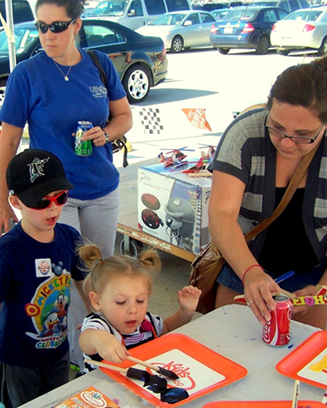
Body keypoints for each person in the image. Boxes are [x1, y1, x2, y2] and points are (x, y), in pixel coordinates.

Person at [0, 0, 133, 370]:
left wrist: (105, 133)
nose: (47, 36)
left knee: (100, 279)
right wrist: (2, 202)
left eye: (56, 26)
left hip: (102, 190)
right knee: (67, 283)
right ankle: (77, 361)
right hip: (57, 199)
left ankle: (101, 348)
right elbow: (7, 143)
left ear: (77, 24)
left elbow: (125, 116)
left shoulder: (99, 65)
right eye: (40, 27)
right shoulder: (27, 74)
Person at [208, 52, 327, 330]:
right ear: (268, 107)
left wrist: (324, 288)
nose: (286, 143)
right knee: (226, 347)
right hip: (244, 263)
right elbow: (222, 214)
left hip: (312, 276)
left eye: (304, 135)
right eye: (277, 127)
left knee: (300, 358)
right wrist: (251, 273)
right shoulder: (244, 135)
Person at [0, 149, 91, 408]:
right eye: (41, 201)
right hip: (18, 359)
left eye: (60, 197)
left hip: (59, 351)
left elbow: (84, 283)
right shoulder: (8, 251)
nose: (53, 207)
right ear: (16, 202)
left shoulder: (70, 237)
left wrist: (96, 318)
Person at [78, 244, 201, 371]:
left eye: (140, 300)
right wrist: (100, 339)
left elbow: (167, 329)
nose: (133, 310)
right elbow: (86, 340)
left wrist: (186, 311)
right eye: (121, 302)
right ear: (97, 301)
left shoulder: (147, 321)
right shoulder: (99, 325)